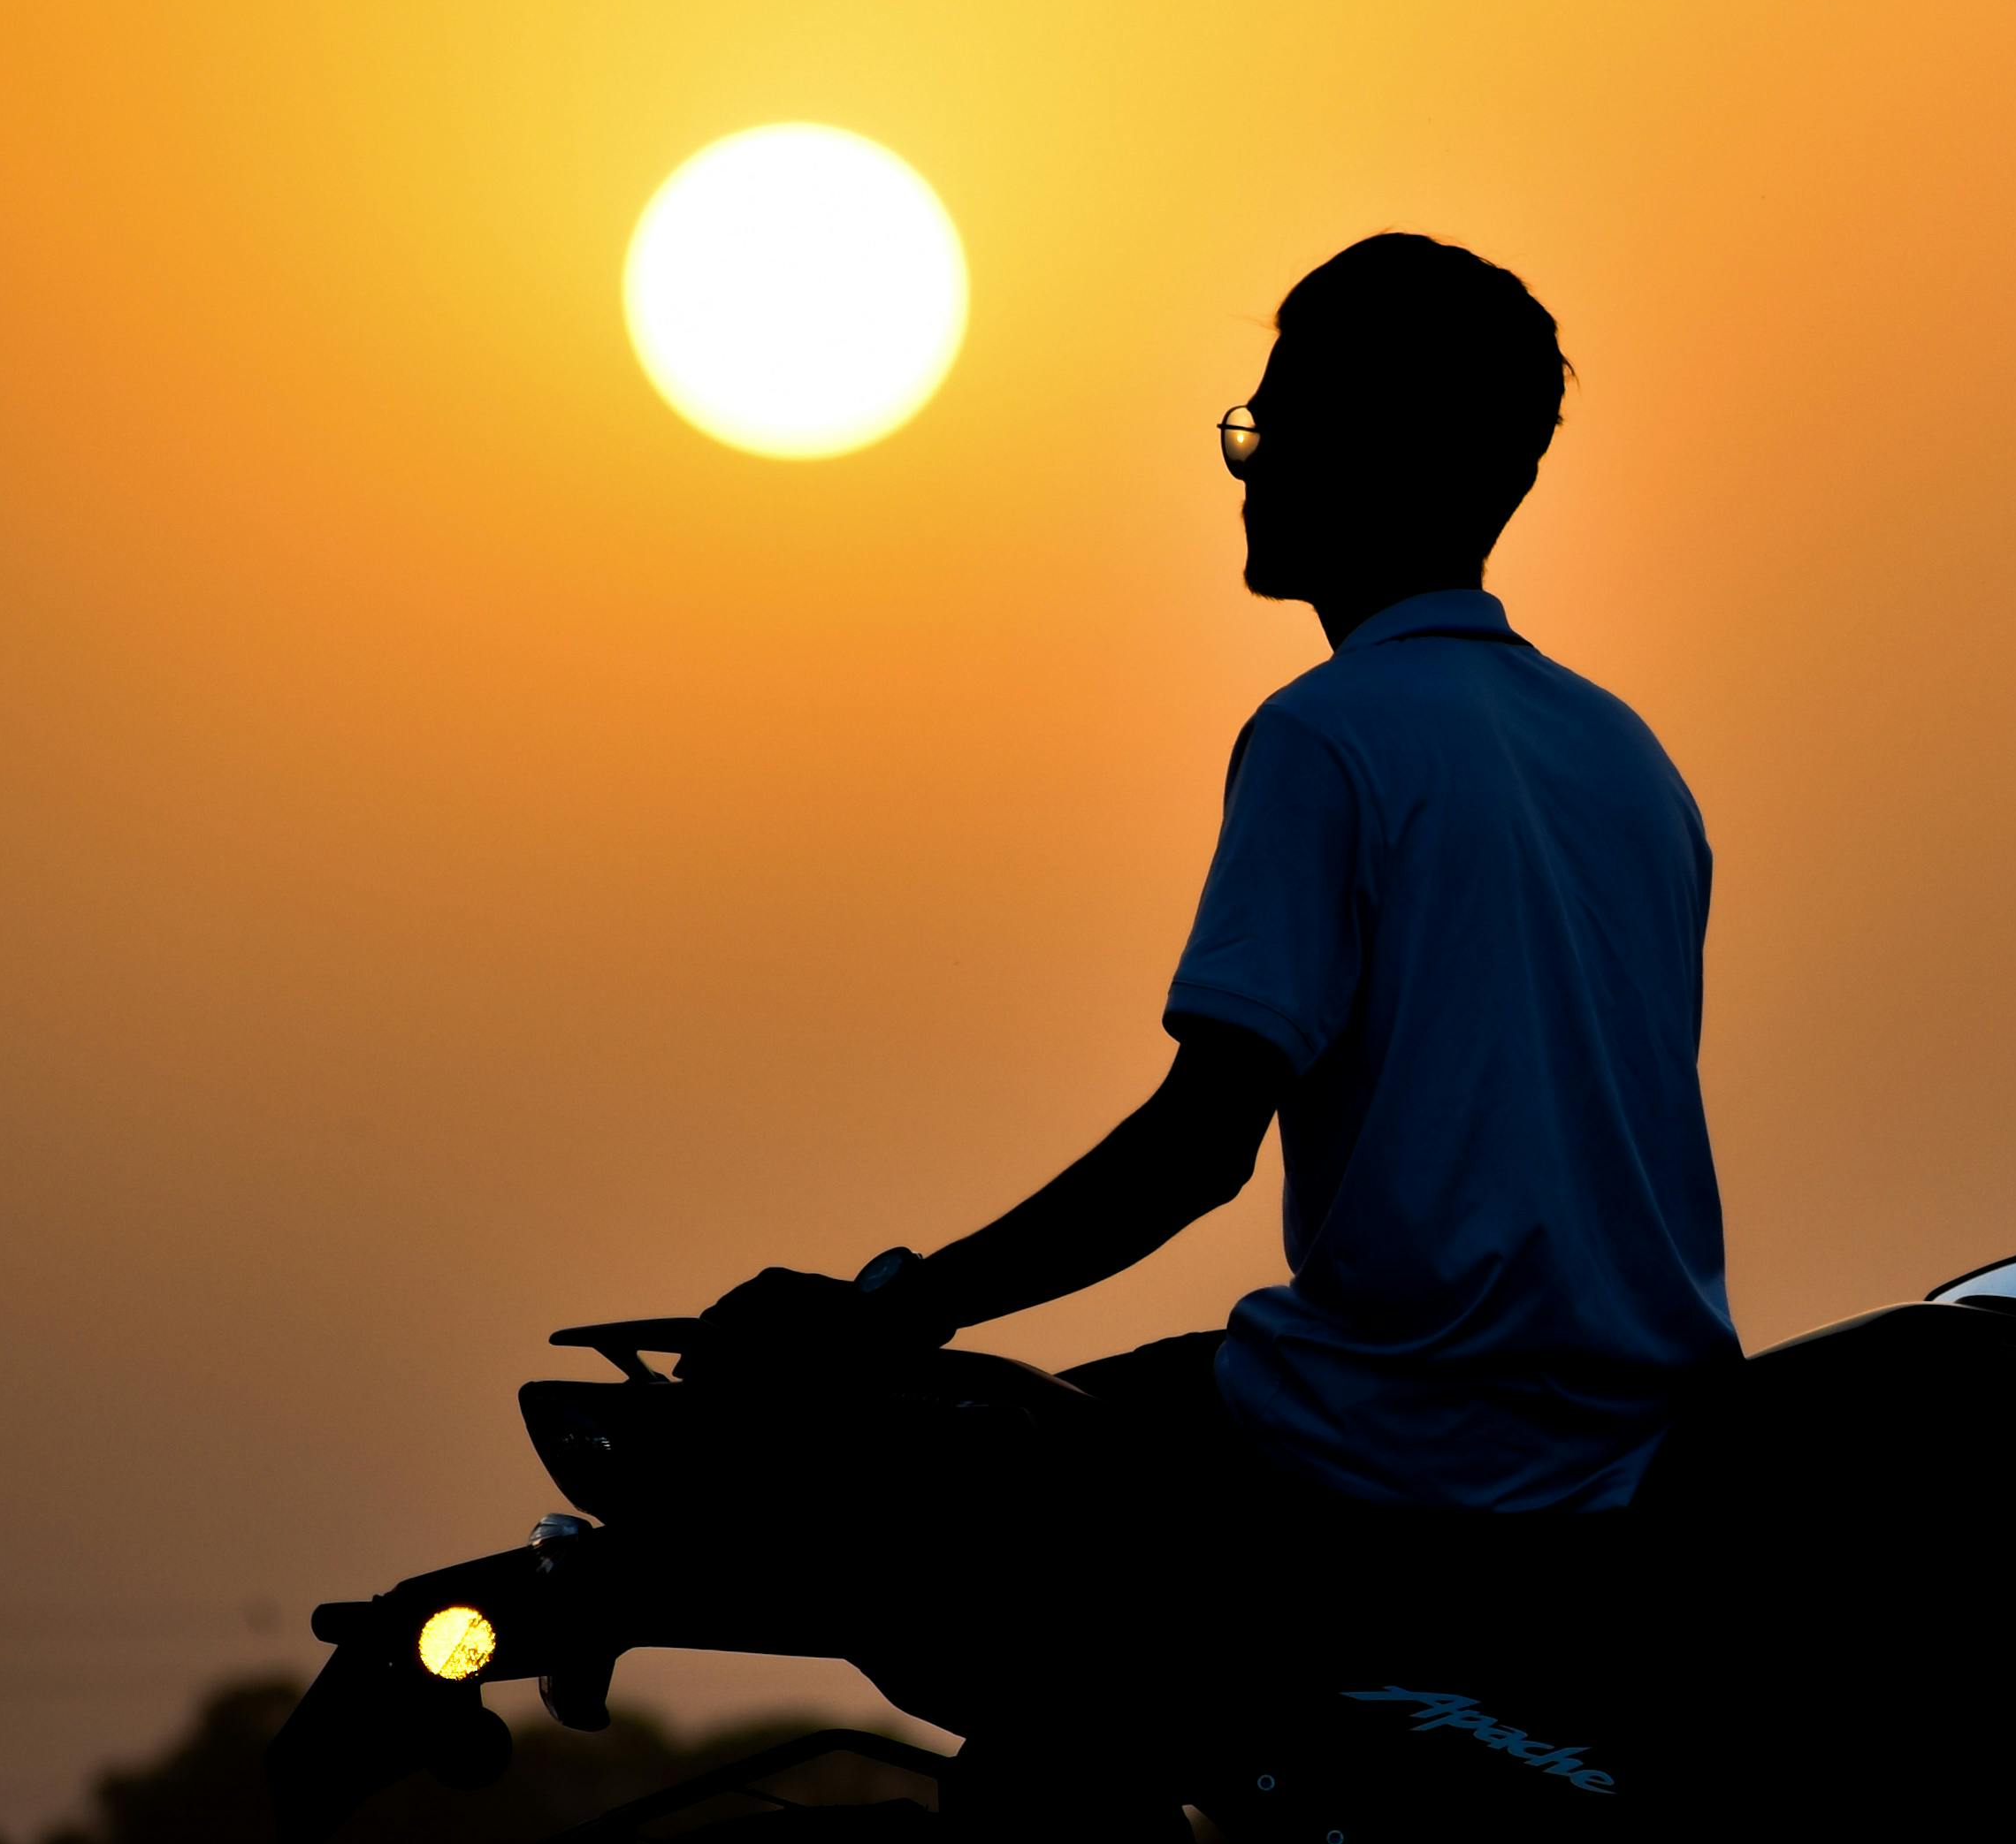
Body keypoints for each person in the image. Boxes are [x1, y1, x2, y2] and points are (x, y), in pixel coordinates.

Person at [710, 229, 1738, 1573]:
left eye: (1278, 421)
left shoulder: (1331, 734)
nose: (1248, 467)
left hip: (1392, 1431)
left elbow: (1201, 1146)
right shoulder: (1630, 761)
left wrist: (903, 1306)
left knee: (938, 1529)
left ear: (1375, 449)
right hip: (1640, 1455)